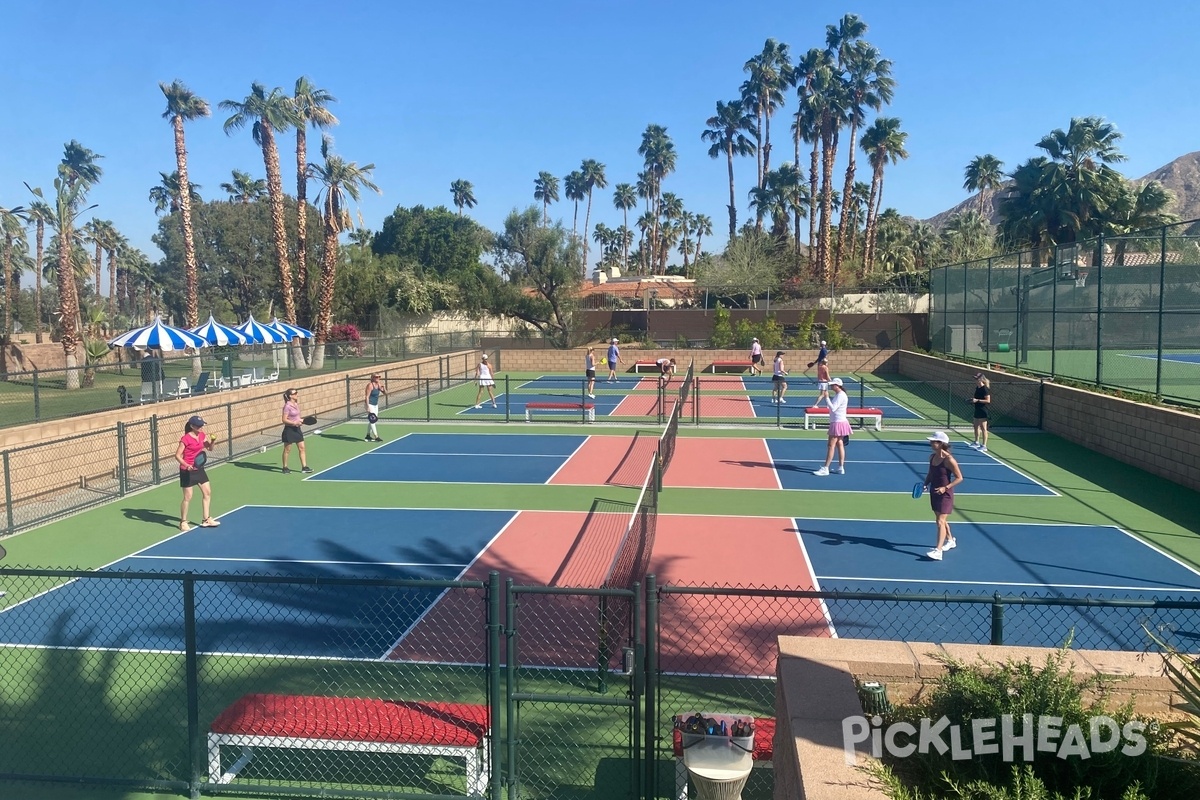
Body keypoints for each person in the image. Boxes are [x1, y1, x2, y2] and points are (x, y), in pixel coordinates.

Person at [922, 431, 964, 561]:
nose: (931, 443)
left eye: (933, 441)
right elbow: (930, 473)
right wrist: (925, 484)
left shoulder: (949, 460)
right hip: (934, 492)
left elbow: (959, 478)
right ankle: (950, 540)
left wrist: (945, 488)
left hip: (945, 493)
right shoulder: (932, 457)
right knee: (940, 520)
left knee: (940, 521)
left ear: (941, 444)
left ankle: (938, 551)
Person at [175, 415, 219, 531]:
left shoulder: (202, 435)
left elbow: (209, 448)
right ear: (192, 426)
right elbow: (177, 455)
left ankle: (206, 519)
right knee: (188, 497)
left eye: (202, 425)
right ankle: (183, 522)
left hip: (198, 468)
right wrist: (186, 465)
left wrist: (213, 441)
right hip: (187, 470)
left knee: (207, 493)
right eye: (199, 426)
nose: (201, 427)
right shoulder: (185, 439)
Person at [814, 378, 850, 476]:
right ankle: (841, 467)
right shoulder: (840, 395)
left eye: (832, 385)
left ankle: (826, 468)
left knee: (831, 445)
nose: (831, 386)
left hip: (837, 423)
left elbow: (833, 408)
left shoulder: (840, 395)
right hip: (840, 421)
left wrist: (826, 398)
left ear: (837, 385)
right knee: (839, 444)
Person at [281, 388, 313, 474]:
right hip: (289, 430)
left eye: (297, 393)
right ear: (290, 396)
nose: (297, 394)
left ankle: (304, 467)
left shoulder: (296, 404)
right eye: (295, 393)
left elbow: (297, 417)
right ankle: (285, 467)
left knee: (302, 448)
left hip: (297, 429)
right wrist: (293, 422)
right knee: (287, 450)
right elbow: (284, 420)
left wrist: (300, 421)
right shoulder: (287, 406)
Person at [970, 373, 991, 451]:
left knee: (983, 428)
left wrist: (977, 400)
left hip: (983, 410)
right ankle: (976, 442)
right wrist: (972, 400)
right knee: (975, 426)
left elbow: (988, 400)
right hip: (977, 409)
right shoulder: (977, 388)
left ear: (981, 379)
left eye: (976, 378)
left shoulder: (984, 389)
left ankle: (984, 445)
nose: (975, 380)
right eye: (975, 378)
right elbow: (976, 398)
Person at [364, 373, 386, 442]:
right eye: (376, 377)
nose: (378, 378)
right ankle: (376, 436)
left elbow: (386, 393)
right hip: (369, 404)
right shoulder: (370, 385)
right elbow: (367, 396)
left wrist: (384, 388)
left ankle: (368, 435)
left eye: (379, 377)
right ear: (372, 378)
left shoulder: (379, 385)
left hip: (375, 405)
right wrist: (367, 407)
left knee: (373, 420)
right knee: (373, 420)